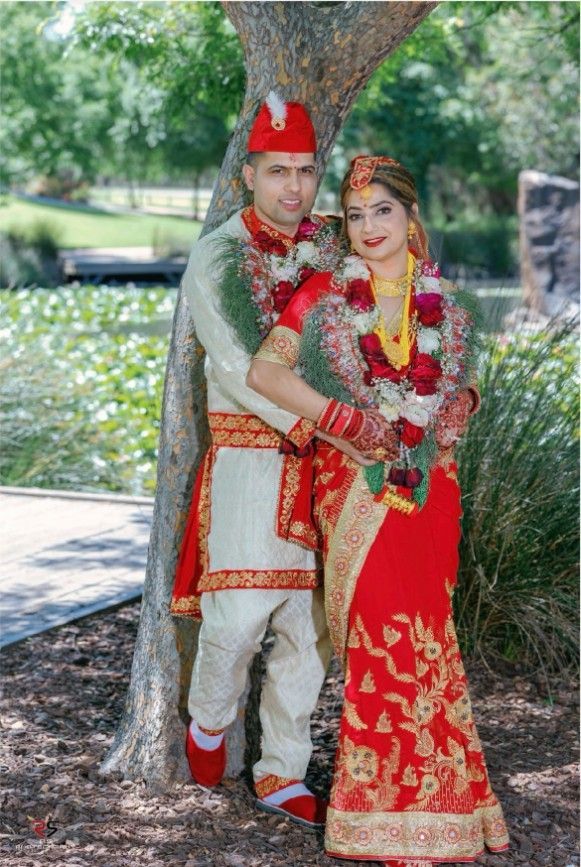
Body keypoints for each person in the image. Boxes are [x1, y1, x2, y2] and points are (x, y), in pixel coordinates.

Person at [247, 155, 509, 864]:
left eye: (381, 211)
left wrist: (463, 404)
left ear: (410, 216)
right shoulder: (323, 297)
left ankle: (447, 808)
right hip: (358, 487)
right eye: (355, 215)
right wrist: (341, 417)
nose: (367, 227)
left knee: (430, 637)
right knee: (377, 642)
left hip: (431, 495)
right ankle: (380, 815)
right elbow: (263, 372)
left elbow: (461, 382)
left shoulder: (446, 302)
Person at [169, 92, 355, 828]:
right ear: (247, 174)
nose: (293, 188)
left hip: (326, 465)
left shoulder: (333, 248)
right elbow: (238, 360)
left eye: (306, 172)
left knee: (309, 633)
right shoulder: (218, 253)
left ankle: (281, 766)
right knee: (239, 617)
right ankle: (208, 721)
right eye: (277, 170)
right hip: (252, 458)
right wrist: (329, 421)